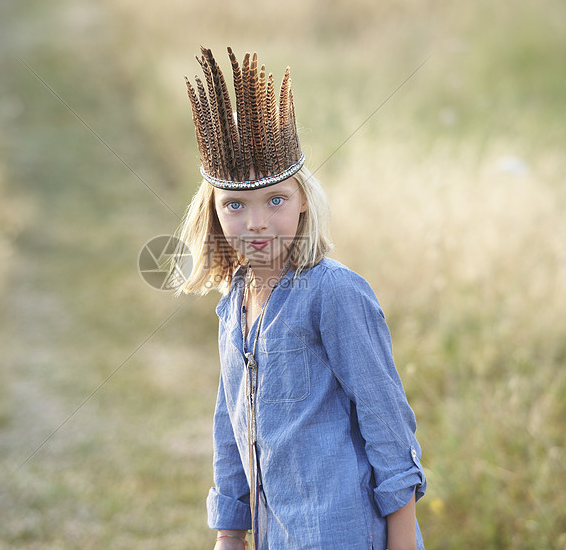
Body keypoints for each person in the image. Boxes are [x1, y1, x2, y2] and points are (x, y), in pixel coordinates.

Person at [176, 46, 426, 550]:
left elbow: (387, 422)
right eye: (235, 205)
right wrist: (230, 531)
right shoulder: (236, 302)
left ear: (303, 200)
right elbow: (231, 423)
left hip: (341, 532)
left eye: (275, 200)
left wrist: (403, 542)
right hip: (276, 535)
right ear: (215, 212)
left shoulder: (333, 292)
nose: (258, 222)